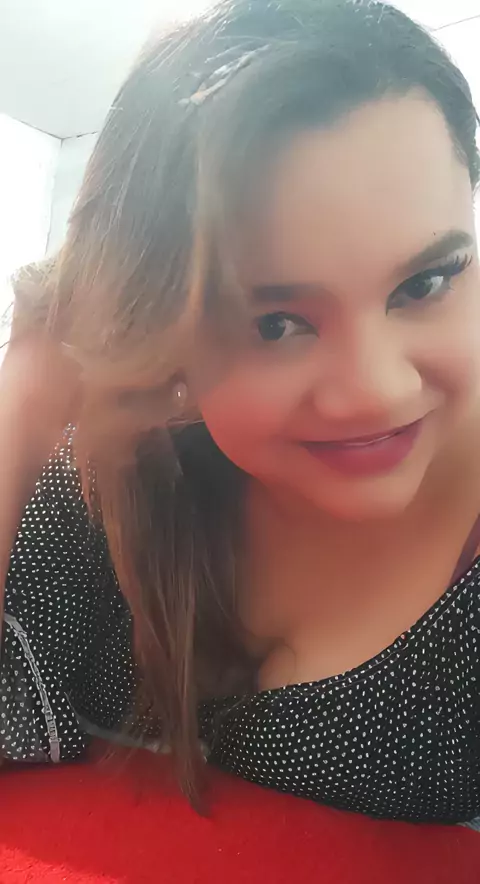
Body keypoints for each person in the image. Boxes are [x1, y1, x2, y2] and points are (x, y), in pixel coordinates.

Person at [1, 0, 480, 825]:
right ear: (158, 332)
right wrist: (32, 384)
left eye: (425, 283)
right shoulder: (118, 478)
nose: (377, 389)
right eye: (277, 324)